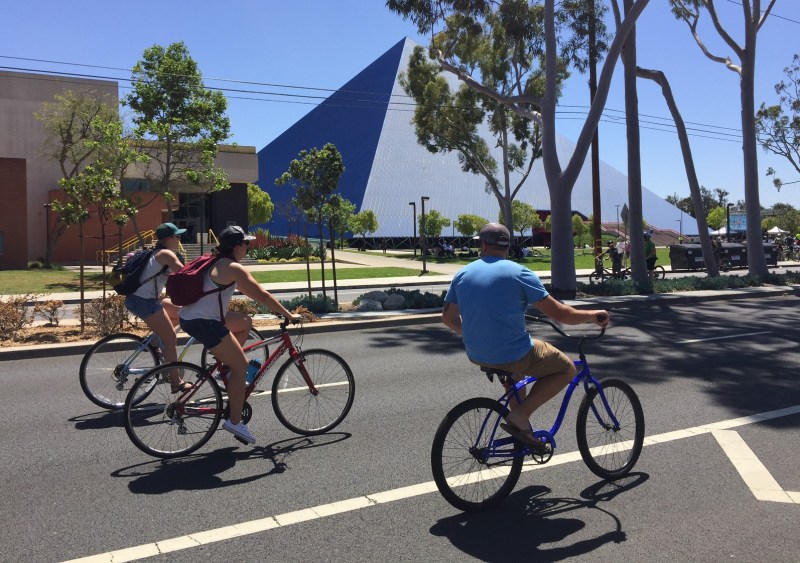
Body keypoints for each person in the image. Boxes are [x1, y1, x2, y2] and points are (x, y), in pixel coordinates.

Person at [441, 223, 609, 447]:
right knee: (567, 367)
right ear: (508, 246)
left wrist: (474, 332)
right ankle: (520, 415)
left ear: (482, 244)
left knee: (515, 373)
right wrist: (592, 315)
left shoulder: (462, 274)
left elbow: (448, 319)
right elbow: (560, 314)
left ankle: (524, 431)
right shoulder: (519, 273)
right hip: (511, 354)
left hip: (477, 353)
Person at [178, 226, 301, 445]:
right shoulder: (233, 268)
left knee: (244, 322)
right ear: (237, 247)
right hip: (205, 322)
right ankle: (235, 421)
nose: (248, 247)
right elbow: (261, 294)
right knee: (241, 367)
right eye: (246, 243)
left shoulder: (215, 260)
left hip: (191, 316)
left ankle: (226, 368)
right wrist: (288, 314)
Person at [124, 222, 187, 392]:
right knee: (170, 339)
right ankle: (176, 382)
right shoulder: (166, 254)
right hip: (143, 302)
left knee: (179, 313)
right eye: (177, 236)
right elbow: (185, 275)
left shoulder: (156, 252)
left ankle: (153, 342)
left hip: (144, 300)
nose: (179, 239)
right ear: (168, 239)